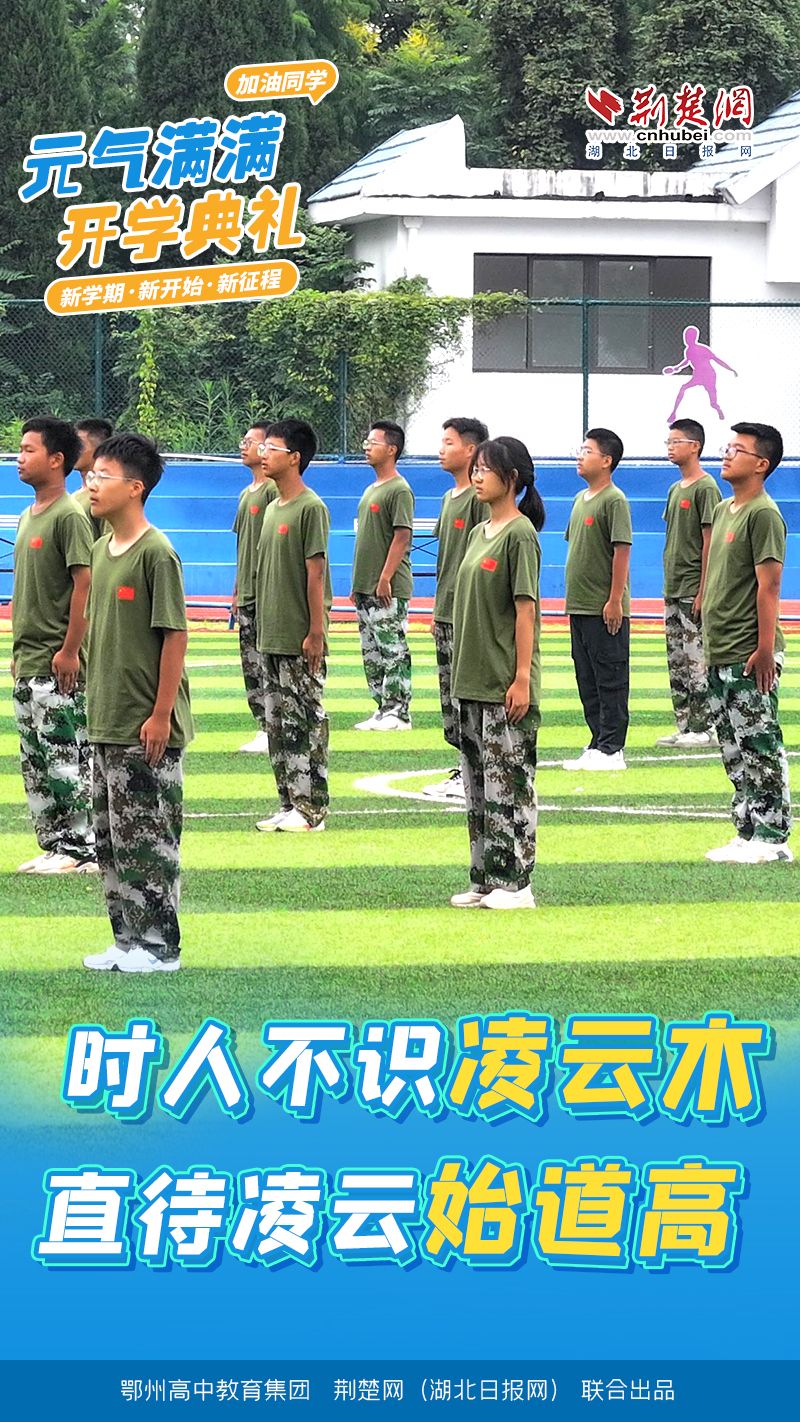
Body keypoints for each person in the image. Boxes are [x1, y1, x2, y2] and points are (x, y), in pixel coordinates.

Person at [81, 433, 194, 972]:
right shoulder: (101, 550)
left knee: (149, 839)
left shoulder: (156, 553)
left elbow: (175, 636)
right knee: (111, 840)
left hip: (144, 723)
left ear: (135, 487)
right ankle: (126, 938)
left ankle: (160, 947)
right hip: (106, 719)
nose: (92, 485)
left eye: (102, 476)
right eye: (91, 475)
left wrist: (160, 714)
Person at [450, 436, 544, 910]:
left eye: (486, 469)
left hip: (503, 680)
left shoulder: (520, 534)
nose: (476, 476)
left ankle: (516, 883)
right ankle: (485, 876)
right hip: (471, 677)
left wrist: (521, 676)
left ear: (512, 478)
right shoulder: (477, 533)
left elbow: (525, 609)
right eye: (476, 468)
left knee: (510, 782)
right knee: (478, 785)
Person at [703, 422, 792, 864]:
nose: (726, 454)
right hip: (719, 647)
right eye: (727, 447)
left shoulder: (763, 514)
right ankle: (747, 828)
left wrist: (764, 648)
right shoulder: (725, 510)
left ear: (761, 464)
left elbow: (769, 586)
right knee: (733, 747)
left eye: (737, 449)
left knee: (759, 743)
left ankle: (773, 837)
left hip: (748, 650)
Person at [12, 416, 96, 873]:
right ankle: (56, 842)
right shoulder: (30, 515)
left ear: (56, 459)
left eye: (29, 450)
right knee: (37, 762)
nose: (20, 457)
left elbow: (85, 583)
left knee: (65, 759)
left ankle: (81, 847)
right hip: (29, 659)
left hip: (55, 661)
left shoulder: (69, 515)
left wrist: (69, 650)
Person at [253, 419, 331, 833]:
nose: (263, 453)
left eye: (272, 448)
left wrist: (315, 632)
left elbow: (315, 573)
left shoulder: (310, 507)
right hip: (270, 633)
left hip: (299, 635)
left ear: (295, 458)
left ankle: (311, 807)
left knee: (305, 720)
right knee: (278, 724)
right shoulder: (272, 508)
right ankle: (288, 801)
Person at [423, 415, 489, 802]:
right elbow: (446, 560)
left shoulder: (479, 501)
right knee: (450, 701)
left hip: (467, 616)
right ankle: (464, 768)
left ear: (470, 449)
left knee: (468, 699)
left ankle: (475, 773)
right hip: (446, 613)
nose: (441, 449)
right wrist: (438, 610)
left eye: (449, 442)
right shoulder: (449, 499)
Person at [562, 427, 631, 771]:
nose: (580, 455)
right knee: (587, 679)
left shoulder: (614, 500)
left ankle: (612, 748)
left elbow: (621, 550)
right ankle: (597, 741)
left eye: (587, 450)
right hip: (579, 605)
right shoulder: (580, 499)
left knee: (610, 677)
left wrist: (614, 599)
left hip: (603, 607)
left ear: (606, 460)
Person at [658, 417, 721, 747]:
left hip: (692, 587)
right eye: (668, 442)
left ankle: (704, 727)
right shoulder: (674, 489)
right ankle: (685, 724)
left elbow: (709, 540)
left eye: (676, 442)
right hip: (673, 587)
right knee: (677, 661)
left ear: (694, 446)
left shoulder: (706, 488)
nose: (669, 447)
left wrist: (702, 590)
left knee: (696, 660)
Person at [351, 420, 414, 731]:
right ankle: (382, 707)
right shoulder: (371, 490)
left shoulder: (399, 489)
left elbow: (402, 535)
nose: (366, 447)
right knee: (372, 652)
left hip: (388, 587)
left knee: (393, 649)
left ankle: (398, 711)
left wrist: (385, 577)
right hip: (366, 586)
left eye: (372, 442)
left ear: (391, 449)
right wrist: (358, 584)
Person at [231, 420, 278, 753]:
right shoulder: (245, 494)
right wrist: (236, 590)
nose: (243, 446)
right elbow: (242, 547)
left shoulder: (271, 491)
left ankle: (271, 725)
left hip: (264, 593)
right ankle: (262, 724)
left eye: (250, 441)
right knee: (250, 663)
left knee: (265, 662)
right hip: (247, 593)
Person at [73, 418, 114, 539]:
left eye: (80, 446)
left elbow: (111, 543)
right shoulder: (75, 496)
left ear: (99, 450)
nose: (74, 450)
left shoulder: (105, 496)